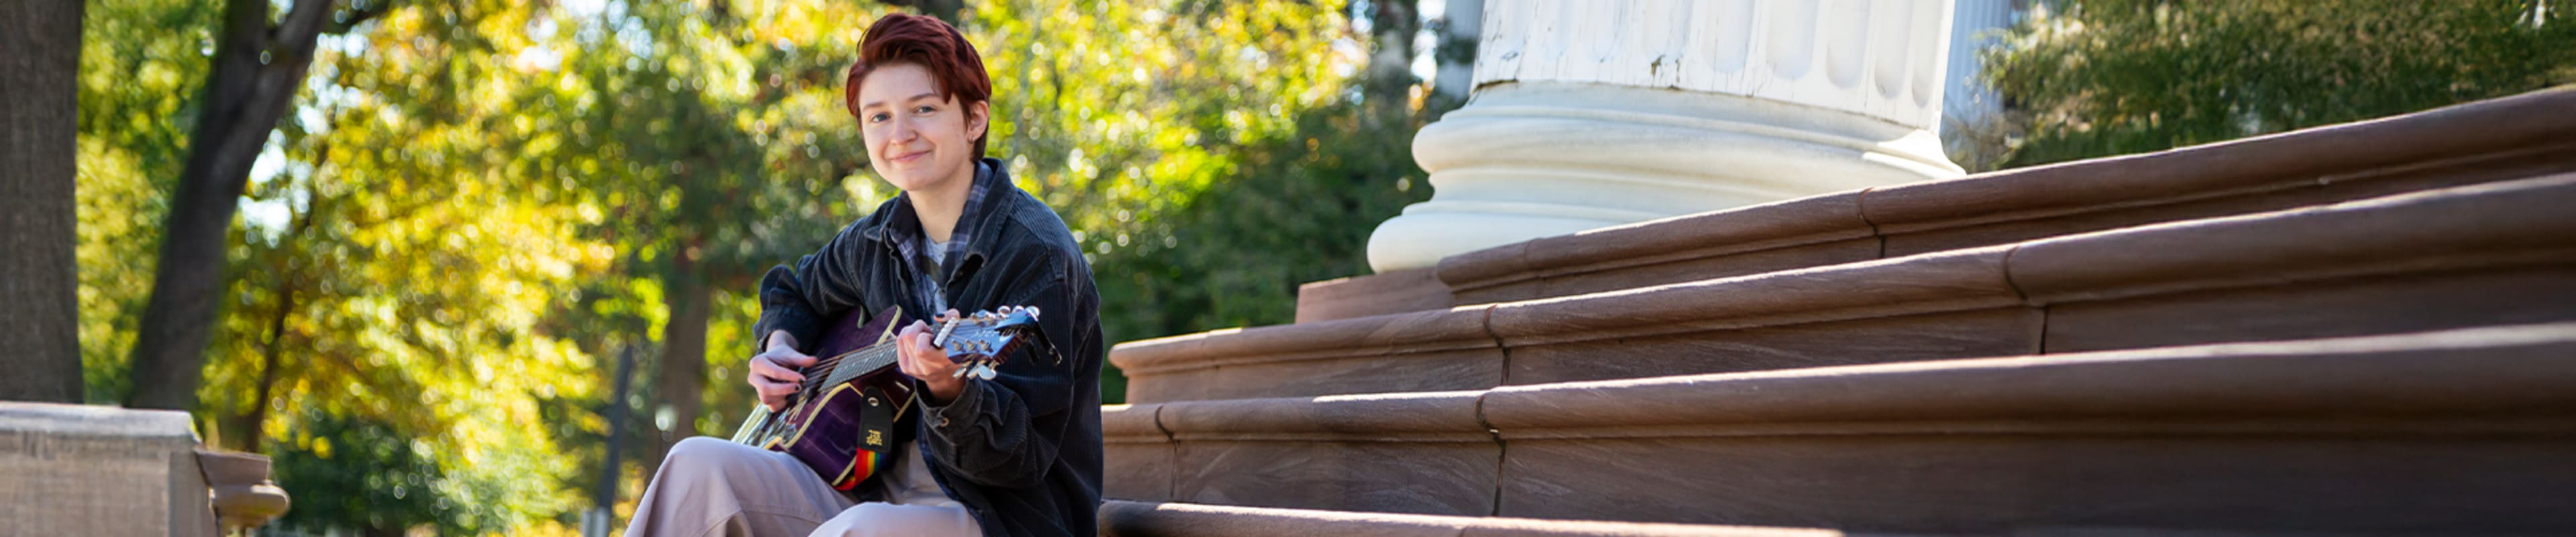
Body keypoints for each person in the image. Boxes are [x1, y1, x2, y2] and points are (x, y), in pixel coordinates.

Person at [623, 13, 1105, 537]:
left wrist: (949, 389)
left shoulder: (1037, 254)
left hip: (998, 515)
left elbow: (1017, 461)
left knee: (857, 532)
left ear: (974, 120)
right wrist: (781, 346)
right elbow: (793, 291)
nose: (900, 134)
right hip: (867, 484)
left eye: (923, 109)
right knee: (696, 464)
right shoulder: (875, 239)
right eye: (878, 117)